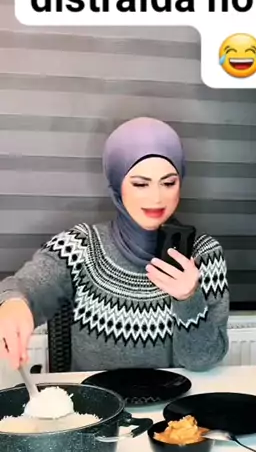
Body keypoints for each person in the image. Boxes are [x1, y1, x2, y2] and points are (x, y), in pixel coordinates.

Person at [0, 116, 229, 373]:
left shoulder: (205, 254)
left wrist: (188, 298)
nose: (156, 198)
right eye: (140, 184)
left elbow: (203, 361)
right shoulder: (79, 247)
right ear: (117, 184)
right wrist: (13, 304)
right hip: (94, 399)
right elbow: (24, 285)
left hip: (179, 400)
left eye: (168, 183)